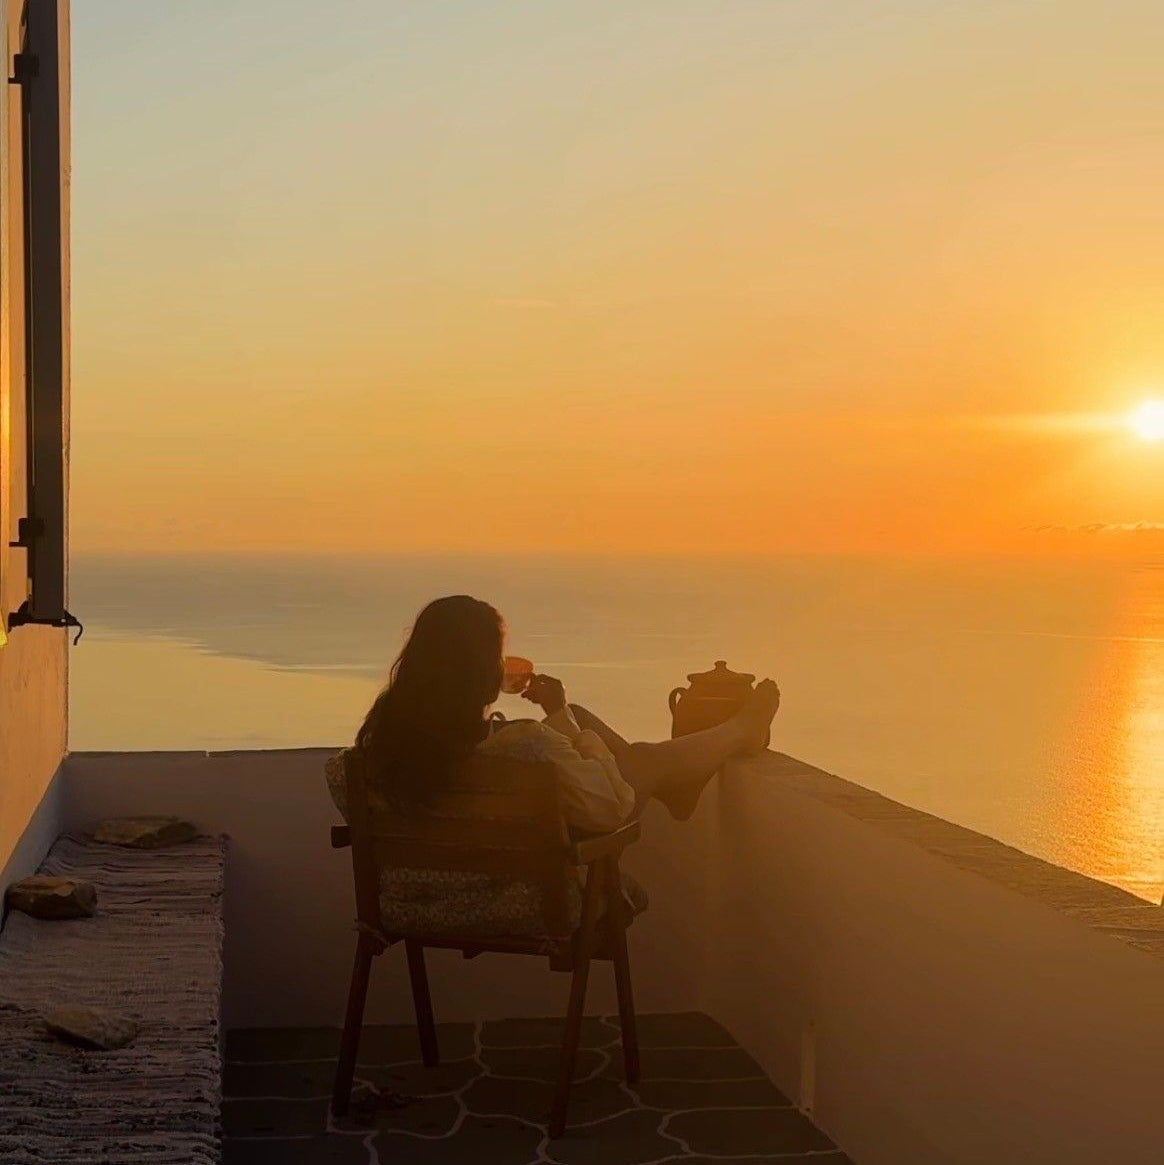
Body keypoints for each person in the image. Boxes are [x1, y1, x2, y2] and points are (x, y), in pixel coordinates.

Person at [343, 594, 780, 833]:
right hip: (529, 900)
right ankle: (741, 729)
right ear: (483, 671)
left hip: (413, 908)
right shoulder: (527, 745)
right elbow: (612, 808)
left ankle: (675, 782)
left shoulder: (378, 752)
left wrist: (564, 717)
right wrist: (558, 720)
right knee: (639, 762)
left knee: (580, 718)